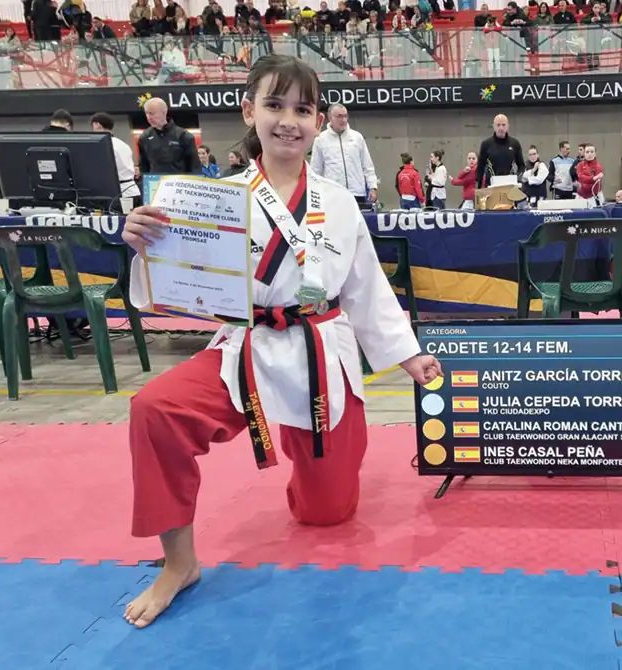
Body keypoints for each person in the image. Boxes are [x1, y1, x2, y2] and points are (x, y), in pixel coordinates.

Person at [119, 54, 441, 629]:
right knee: (154, 409)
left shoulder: (340, 204)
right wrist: (148, 248)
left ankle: (308, 461)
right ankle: (179, 563)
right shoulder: (211, 200)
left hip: (322, 354)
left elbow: (367, 287)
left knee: (328, 513)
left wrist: (408, 352)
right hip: (246, 350)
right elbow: (175, 291)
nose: (288, 120)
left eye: (303, 108)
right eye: (274, 105)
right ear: (249, 111)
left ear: (320, 120)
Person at [309, 103, 378, 204]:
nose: (343, 120)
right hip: (332, 195)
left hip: (357, 193)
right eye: (339, 116)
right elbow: (315, 169)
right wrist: (314, 192)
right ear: (330, 118)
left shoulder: (357, 137)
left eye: (345, 116)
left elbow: (367, 165)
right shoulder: (320, 139)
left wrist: (373, 187)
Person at [137, 97, 202, 175]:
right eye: (146, 113)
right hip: (155, 184)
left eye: (152, 113)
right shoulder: (144, 137)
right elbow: (143, 165)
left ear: (164, 111)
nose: (148, 117)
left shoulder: (183, 135)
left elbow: (194, 166)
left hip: (179, 183)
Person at [90, 112, 142, 207]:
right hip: (132, 190)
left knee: (120, 221)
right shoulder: (123, 144)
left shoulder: (103, 146)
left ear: (97, 125)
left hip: (118, 194)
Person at [476, 114, 525, 188]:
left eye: (503, 125)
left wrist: (517, 178)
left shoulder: (515, 143)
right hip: (491, 186)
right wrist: (479, 188)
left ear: (508, 126)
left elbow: (521, 165)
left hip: (509, 185)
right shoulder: (486, 144)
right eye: (498, 125)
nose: (501, 128)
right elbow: (480, 167)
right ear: (494, 126)